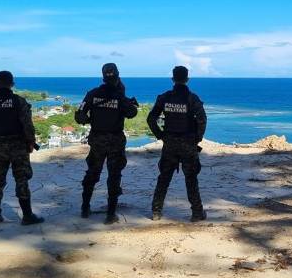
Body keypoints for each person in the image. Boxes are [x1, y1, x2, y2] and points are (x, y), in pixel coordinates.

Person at [74, 63, 139, 224]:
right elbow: (132, 113)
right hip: (115, 141)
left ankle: (85, 208)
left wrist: (92, 120)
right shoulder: (119, 96)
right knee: (114, 175)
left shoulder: (92, 94)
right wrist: (129, 103)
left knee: (92, 173)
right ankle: (110, 214)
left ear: (103, 77)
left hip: (97, 139)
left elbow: (79, 117)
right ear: (117, 76)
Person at [0, 70, 43, 226]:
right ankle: (27, 216)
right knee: (21, 179)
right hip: (18, 145)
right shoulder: (19, 101)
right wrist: (31, 141)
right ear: (12, 84)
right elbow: (27, 125)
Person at [147, 66, 207, 222]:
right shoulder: (192, 99)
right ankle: (197, 213)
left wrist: (161, 136)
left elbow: (151, 119)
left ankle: (156, 211)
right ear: (187, 79)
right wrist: (197, 139)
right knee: (191, 179)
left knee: (164, 177)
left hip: (170, 143)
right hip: (188, 144)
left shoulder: (165, 97)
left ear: (173, 79)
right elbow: (202, 120)